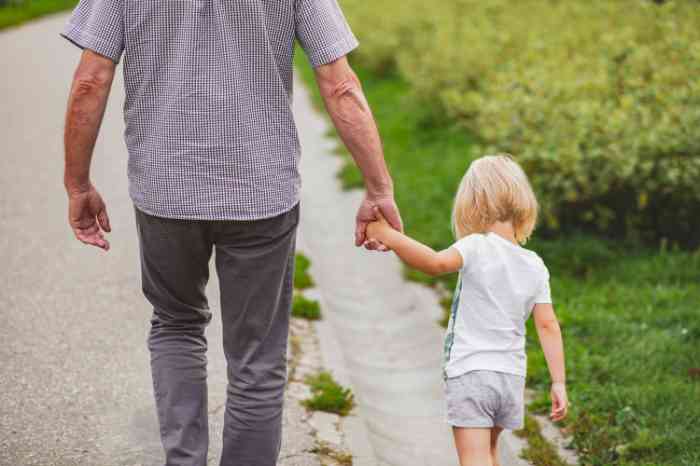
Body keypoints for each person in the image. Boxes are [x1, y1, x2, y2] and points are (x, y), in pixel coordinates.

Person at [60, 1, 402, 465]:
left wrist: (77, 183)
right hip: (260, 191)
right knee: (257, 358)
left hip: (166, 190)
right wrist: (379, 186)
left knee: (176, 326)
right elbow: (340, 84)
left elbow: (90, 80)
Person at [366, 154, 568, 466]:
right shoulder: (535, 265)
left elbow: (434, 263)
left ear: (473, 204)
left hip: (472, 373)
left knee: (474, 458)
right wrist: (559, 383)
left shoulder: (476, 245)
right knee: (489, 453)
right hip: (510, 377)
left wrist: (390, 236)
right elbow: (548, 326)